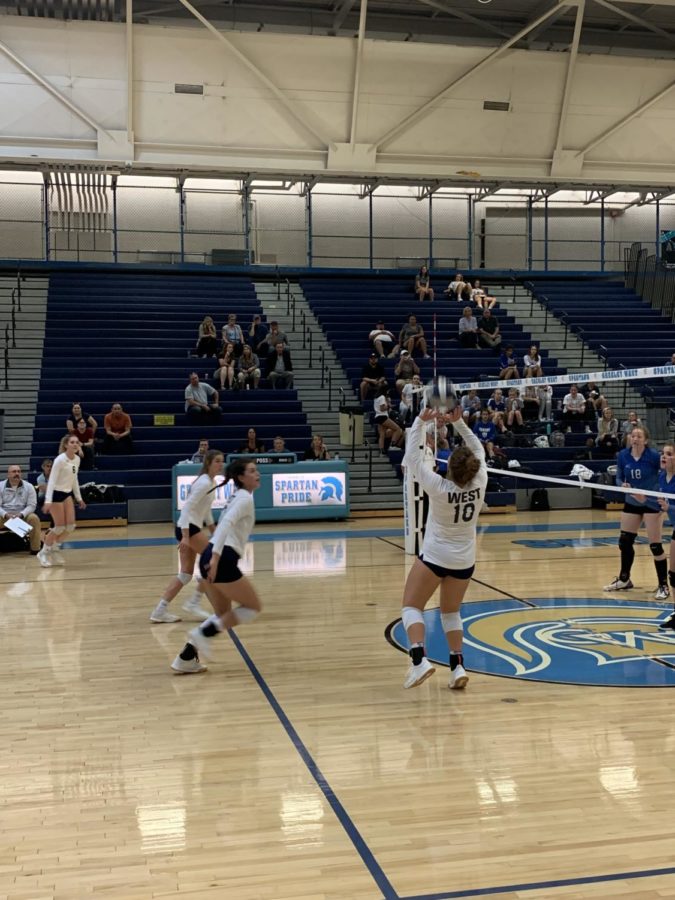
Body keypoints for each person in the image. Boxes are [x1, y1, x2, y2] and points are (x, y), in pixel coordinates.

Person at [400, 405, 487, 690]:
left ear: (450, 467)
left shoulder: (439, 487)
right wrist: (459, 422)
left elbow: (413, 459)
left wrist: (420, 422)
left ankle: (418, 660)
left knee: (412, 606)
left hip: (436, 556)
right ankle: (457, 666)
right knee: (450, 613)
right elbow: (479, 449)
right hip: (464, 561)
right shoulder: (480, 481)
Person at [171, 459, 263, 675]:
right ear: (241, 477)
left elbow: (221, 524)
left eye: (256, 470)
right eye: (251, 471)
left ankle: (185, 658)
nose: (257, 474)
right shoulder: (243, 499)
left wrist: (211, 557)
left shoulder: (237, 497)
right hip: (220, 559)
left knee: (223, 614)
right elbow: (227, 523)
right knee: (252, 607)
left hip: (211, 558)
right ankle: (200, 635)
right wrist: (215, 558)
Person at [150, 450, 224, 624]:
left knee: (185, 574)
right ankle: (196, 603)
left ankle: (159, 610)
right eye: (217, 461)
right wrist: (184, 537)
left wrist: (214, 530)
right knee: (212, 563)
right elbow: (186, 508)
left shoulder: (211, 482)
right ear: (209, 463)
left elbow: (205, 511)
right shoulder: (204, 482)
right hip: (188, 529)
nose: (221, 464)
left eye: (222, 461)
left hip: (190, 528)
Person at [604, 425, 666, 597]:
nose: (635, 438)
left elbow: (663, 474)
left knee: (655, 545)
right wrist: (622, 485)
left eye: (639, 436)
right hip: (631, 501)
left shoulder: (653, 456)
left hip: (651, 503)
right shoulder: (623, 455)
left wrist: (655, 494)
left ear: (645, 440)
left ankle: (663, 585)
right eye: (633, 436)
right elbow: (618, 476)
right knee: (625, 541)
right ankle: (624, 579)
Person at [37, 434, 86, 568]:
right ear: (66, 445)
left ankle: (54, 547)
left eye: (77, 442)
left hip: (67, 494)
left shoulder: (76, 459)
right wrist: (48, 500)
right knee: (59, 527)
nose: (75, 444)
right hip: (55, 495)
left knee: (70, 526)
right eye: (72, 442)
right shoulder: (60, 460)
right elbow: (52, 481)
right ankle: (43, 553)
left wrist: (79, 498)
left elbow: (74, 479)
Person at [0, 464, 41, 555]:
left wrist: (21, 514)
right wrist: (6, 514)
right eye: (14, 472)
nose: (17, 473)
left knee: (34, 518)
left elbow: (32, 505)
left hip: (22, 515)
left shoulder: (29, 486)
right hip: (5, 515)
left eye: (19, 471)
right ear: (8, 474)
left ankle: (35, 549)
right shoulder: (0, 486)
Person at [657, 444, 675, 623]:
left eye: (669, 454)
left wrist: (670, 507)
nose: (664, 457)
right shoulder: (662, 477)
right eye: (663, 454)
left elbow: (668, 506)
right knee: (673, 574)